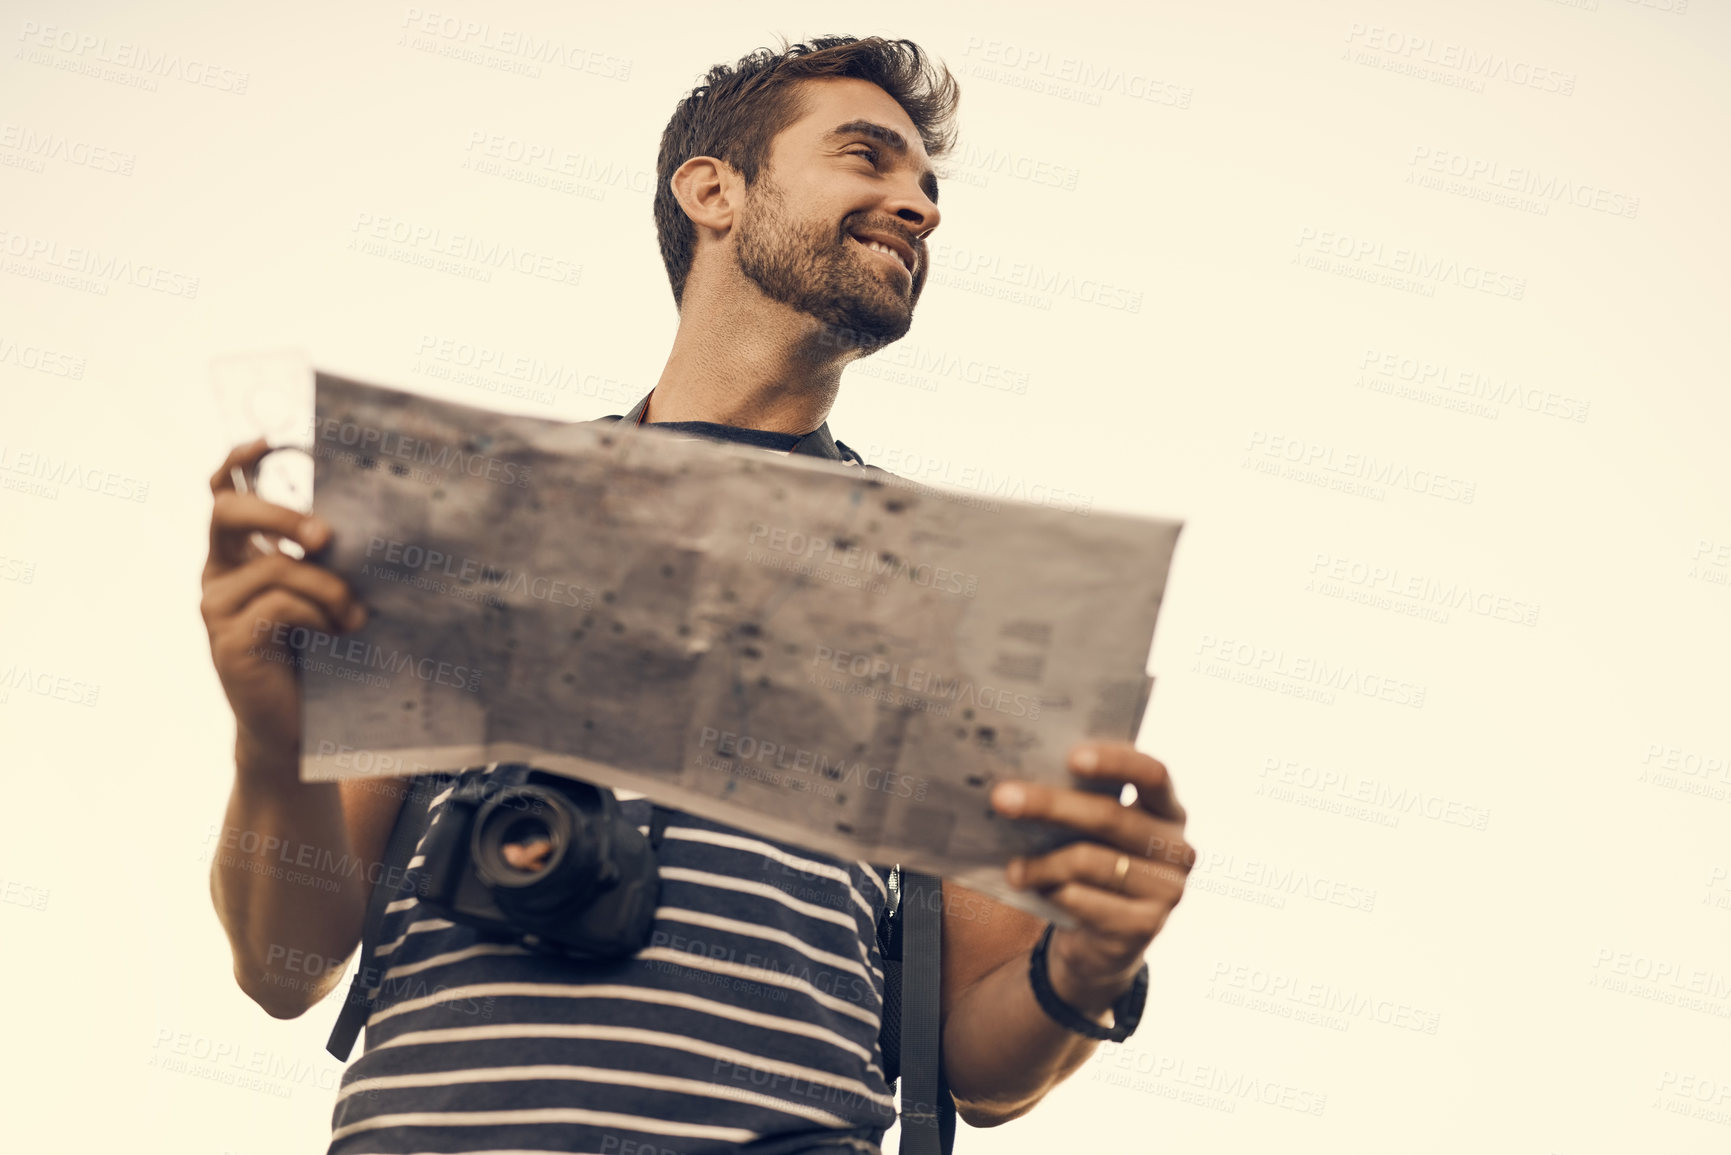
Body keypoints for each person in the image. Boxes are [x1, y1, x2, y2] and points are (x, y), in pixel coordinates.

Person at [202, 36, 1195, 1155]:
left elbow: (980, 1071)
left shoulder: (957, 591)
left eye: (927, 188)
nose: (916, 206)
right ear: (711, 189)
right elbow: (284, 967)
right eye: (867, 158)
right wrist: (268, 744)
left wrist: (1090, 966)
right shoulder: (467, 520)